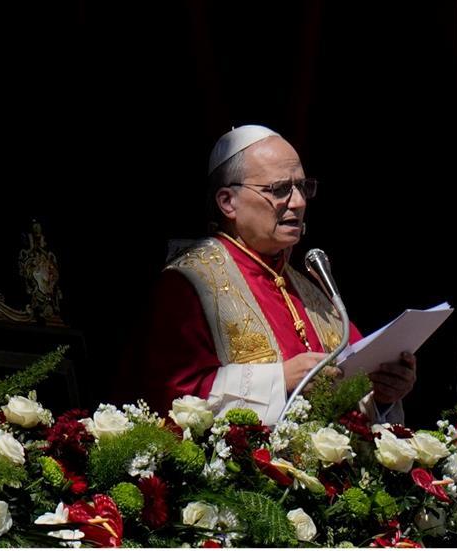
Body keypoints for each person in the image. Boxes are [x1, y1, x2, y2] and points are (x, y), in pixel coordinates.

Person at [140, 124, 416, 425]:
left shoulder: (309, 288)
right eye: (280, 189)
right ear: (227, 202)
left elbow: (351, 380)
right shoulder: (189, 283)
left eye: (302, 187)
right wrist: (280, 379)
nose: (298, 202)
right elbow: (172, 395)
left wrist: (382, 394)